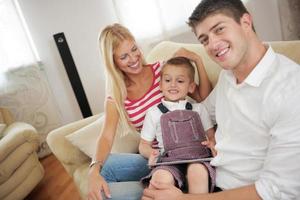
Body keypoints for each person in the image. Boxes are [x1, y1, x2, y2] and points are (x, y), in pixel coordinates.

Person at [142, 0, 300, 200]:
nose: (213, 45)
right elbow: (200, 113)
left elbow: (275, 191)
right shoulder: (228, 76)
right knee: (115, 175)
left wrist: (182, 199)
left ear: (246, 22)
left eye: (219, 29)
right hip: (205, 176)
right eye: (204, 39)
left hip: (228, 192)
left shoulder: (291, 88)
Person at [87, 23, 213, 200]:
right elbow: (107, 136)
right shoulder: (117, 94)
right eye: (124, 56)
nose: (134, 58)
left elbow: (203, 97)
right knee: (101, 175)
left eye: (134, 49)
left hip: (185, 153)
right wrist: (94, 169)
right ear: (113, 62)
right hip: (155, 158)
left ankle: (163, 190)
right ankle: (159, 187)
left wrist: (198, 60)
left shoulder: (163, 72)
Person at [139, 57, 217, 194]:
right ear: (160, 85)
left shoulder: (199, 109)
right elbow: (143, 144)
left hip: (199, 158)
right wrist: (151, 153)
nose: (173, 85)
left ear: (191, 87)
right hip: (169, 161)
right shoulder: (153, 113)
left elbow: (212, 136)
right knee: (159, 179)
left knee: (197, 172)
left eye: (180, 81)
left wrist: (212, 144)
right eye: (167, 80)